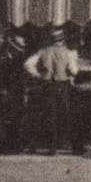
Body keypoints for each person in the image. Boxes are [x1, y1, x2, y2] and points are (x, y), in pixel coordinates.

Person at [24, 26, 79, 154]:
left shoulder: (43, 51)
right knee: (65, 114)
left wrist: (38, 75)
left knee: (49, 115)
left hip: (47, 84)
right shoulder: (68, 52)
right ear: (62, 40)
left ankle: (52, 147)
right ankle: (66, 143)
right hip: (62, 84)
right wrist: (71, 73)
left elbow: (27, 64)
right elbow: (74, 70)